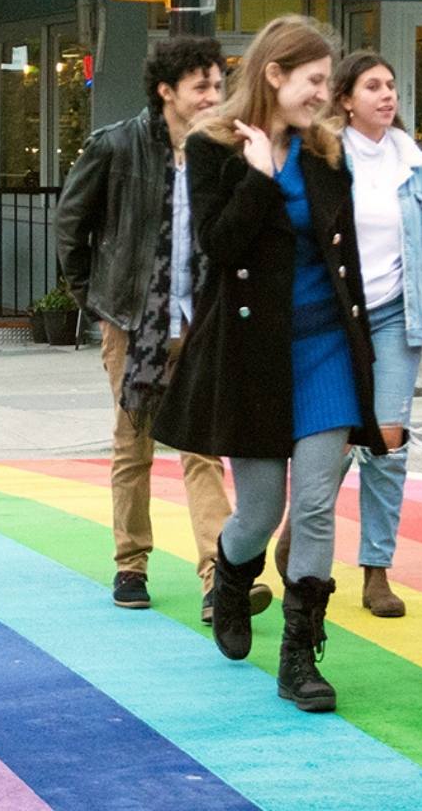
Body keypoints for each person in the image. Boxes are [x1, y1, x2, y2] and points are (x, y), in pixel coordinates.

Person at [155, 16, 387, 715]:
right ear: (275, 74)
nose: (326, 93)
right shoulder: (212, 147)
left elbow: (342, 260)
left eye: (328, 81)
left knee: (314, 504)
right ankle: (230, 575)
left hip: (325, 351)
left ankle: (299, 656)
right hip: (254, 356)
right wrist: (257, 179)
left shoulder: (328, 152)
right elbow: (219, 250)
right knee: (260, 510)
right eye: (315, 80)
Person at [54, 37, 269, 623]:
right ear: (166, 90)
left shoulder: (223, 150)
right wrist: (97, 302)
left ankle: (216, 574)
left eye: (218, 86)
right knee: (134, 443)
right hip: (133, 322)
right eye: (201, 86)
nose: (213, 96)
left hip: (200, 321)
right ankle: (131, 563)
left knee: (203, 447)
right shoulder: (117, 146)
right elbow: (71, 226)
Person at [332, 50, 422, 619]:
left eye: (391, 84)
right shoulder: (326, 157)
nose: (386, 94)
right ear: (346, 99)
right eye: (372, 85)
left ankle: (376, 570)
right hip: (336, 316)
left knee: (387, 443)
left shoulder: (414, 165)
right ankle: (305, 534)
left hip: (396, 315)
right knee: (331, 440)